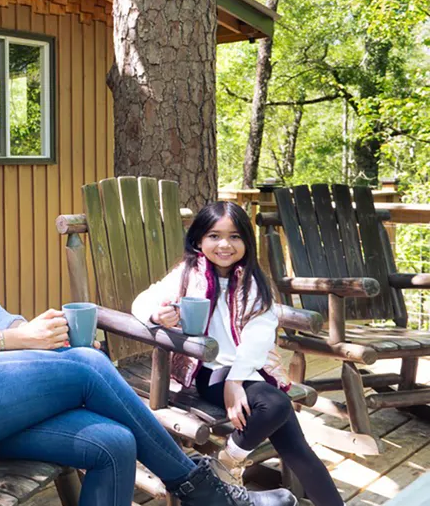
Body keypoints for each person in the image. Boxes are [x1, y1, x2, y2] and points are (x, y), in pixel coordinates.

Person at [0, 152, 298, 506]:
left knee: (114, 442)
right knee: (87, 363)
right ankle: (201, 488)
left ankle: (202, 490)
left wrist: (32, 329)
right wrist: (17, 341)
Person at [133, 201, 342, 506]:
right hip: (206, 370)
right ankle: (228, 461)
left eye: (234, 237)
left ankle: (225, 461)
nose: (224, 245)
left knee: (295, 445)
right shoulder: (186, 274)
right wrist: (157, 315)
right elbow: (142, 302)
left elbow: (258, 337)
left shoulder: (254, 281)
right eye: (214, 236)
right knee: (276, 404)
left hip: (249, 370)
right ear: (198, 241)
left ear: (246, 241)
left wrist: (236, 382)